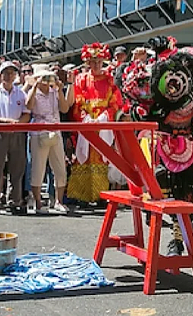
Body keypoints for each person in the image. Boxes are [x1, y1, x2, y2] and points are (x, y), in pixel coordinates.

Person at [67, 43, 122, 205]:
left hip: (103, 123)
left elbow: (115, 103)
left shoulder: (109, 80)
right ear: (88, 63)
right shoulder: (82, 79)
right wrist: (85, 117)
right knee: (84, 157)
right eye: (93, 61)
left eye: (99, 61)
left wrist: (105, 116)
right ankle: (82, 195)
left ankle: (101, 194)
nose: (96, 64)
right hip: (87, 122)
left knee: (101, 158)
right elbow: (77, 102)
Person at [0, 61, 31, 214]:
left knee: (17, 169)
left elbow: (27, 113)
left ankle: (14, 200)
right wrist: (5, 122)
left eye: (12, 73)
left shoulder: (21, 93)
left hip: (17, 134)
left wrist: (17, 125)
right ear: (0, 75)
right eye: (6, 72)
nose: (9, 76)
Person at [26, 64, 74, 213]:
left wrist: (59, 90)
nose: (45, 80)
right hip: (39, 133)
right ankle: (38, 203)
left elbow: (65, 108)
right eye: (43, 77)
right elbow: (29, 106)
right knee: (38, 168)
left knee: (60, 168)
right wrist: (33, 87)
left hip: (55, 130)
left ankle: (59, 201)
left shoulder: (55, 91)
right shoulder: (33, 91)